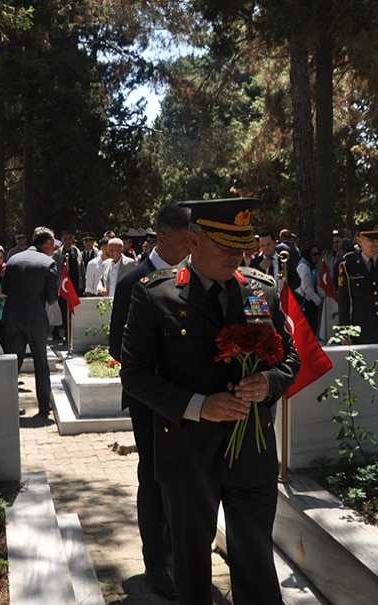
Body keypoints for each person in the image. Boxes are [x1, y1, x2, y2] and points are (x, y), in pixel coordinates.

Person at [121, 197, 299, 605]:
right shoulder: (156, 295)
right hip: (187, 452)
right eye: (226, 247)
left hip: (251, 450)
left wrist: (269, 382)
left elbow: (290, 357)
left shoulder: (260, 290)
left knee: (255, 557)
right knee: (192, 565)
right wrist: (198, 405)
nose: (236, 257)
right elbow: (134, 375)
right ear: (195, 239)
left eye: (242, 247)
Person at [108, 205, 191, 599]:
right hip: (151, 402)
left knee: (182, 480)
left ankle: (177, 548)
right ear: (163, 237)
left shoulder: (192, 276)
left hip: (189, 403)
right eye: (186, 235)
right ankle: (156, 564)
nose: (193, 242)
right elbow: (117, 347)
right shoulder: (133, 279)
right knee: (155, 480)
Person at [2, 227, 59, 417]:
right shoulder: (48, 263)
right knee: (41, 363)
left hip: (12, 317)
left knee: (12, 365)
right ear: (48, 244)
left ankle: (8, 406)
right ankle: (44, 407)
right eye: (53, 244)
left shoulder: (12, 260)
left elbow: (6, 289)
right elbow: (52, 299)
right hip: (36, 319)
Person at [52, 231, 82, 341]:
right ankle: (68, 336)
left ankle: (74, 336)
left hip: (75, 288)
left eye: (70, 238)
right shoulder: (57, 254)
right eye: (66, 239)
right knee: (64, 313)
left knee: (75, 313)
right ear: (62, 240)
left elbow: (81, 270)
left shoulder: (77, 252)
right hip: (63, 288)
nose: (68, 241)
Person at [296, 243, 323, 335]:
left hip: (311, 302)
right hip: (307, 303)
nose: (317, 257)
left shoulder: (311, 266)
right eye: (314, 254)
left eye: (318, 254)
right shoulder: (304, 266)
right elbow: (306, 287)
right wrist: (318, 300)